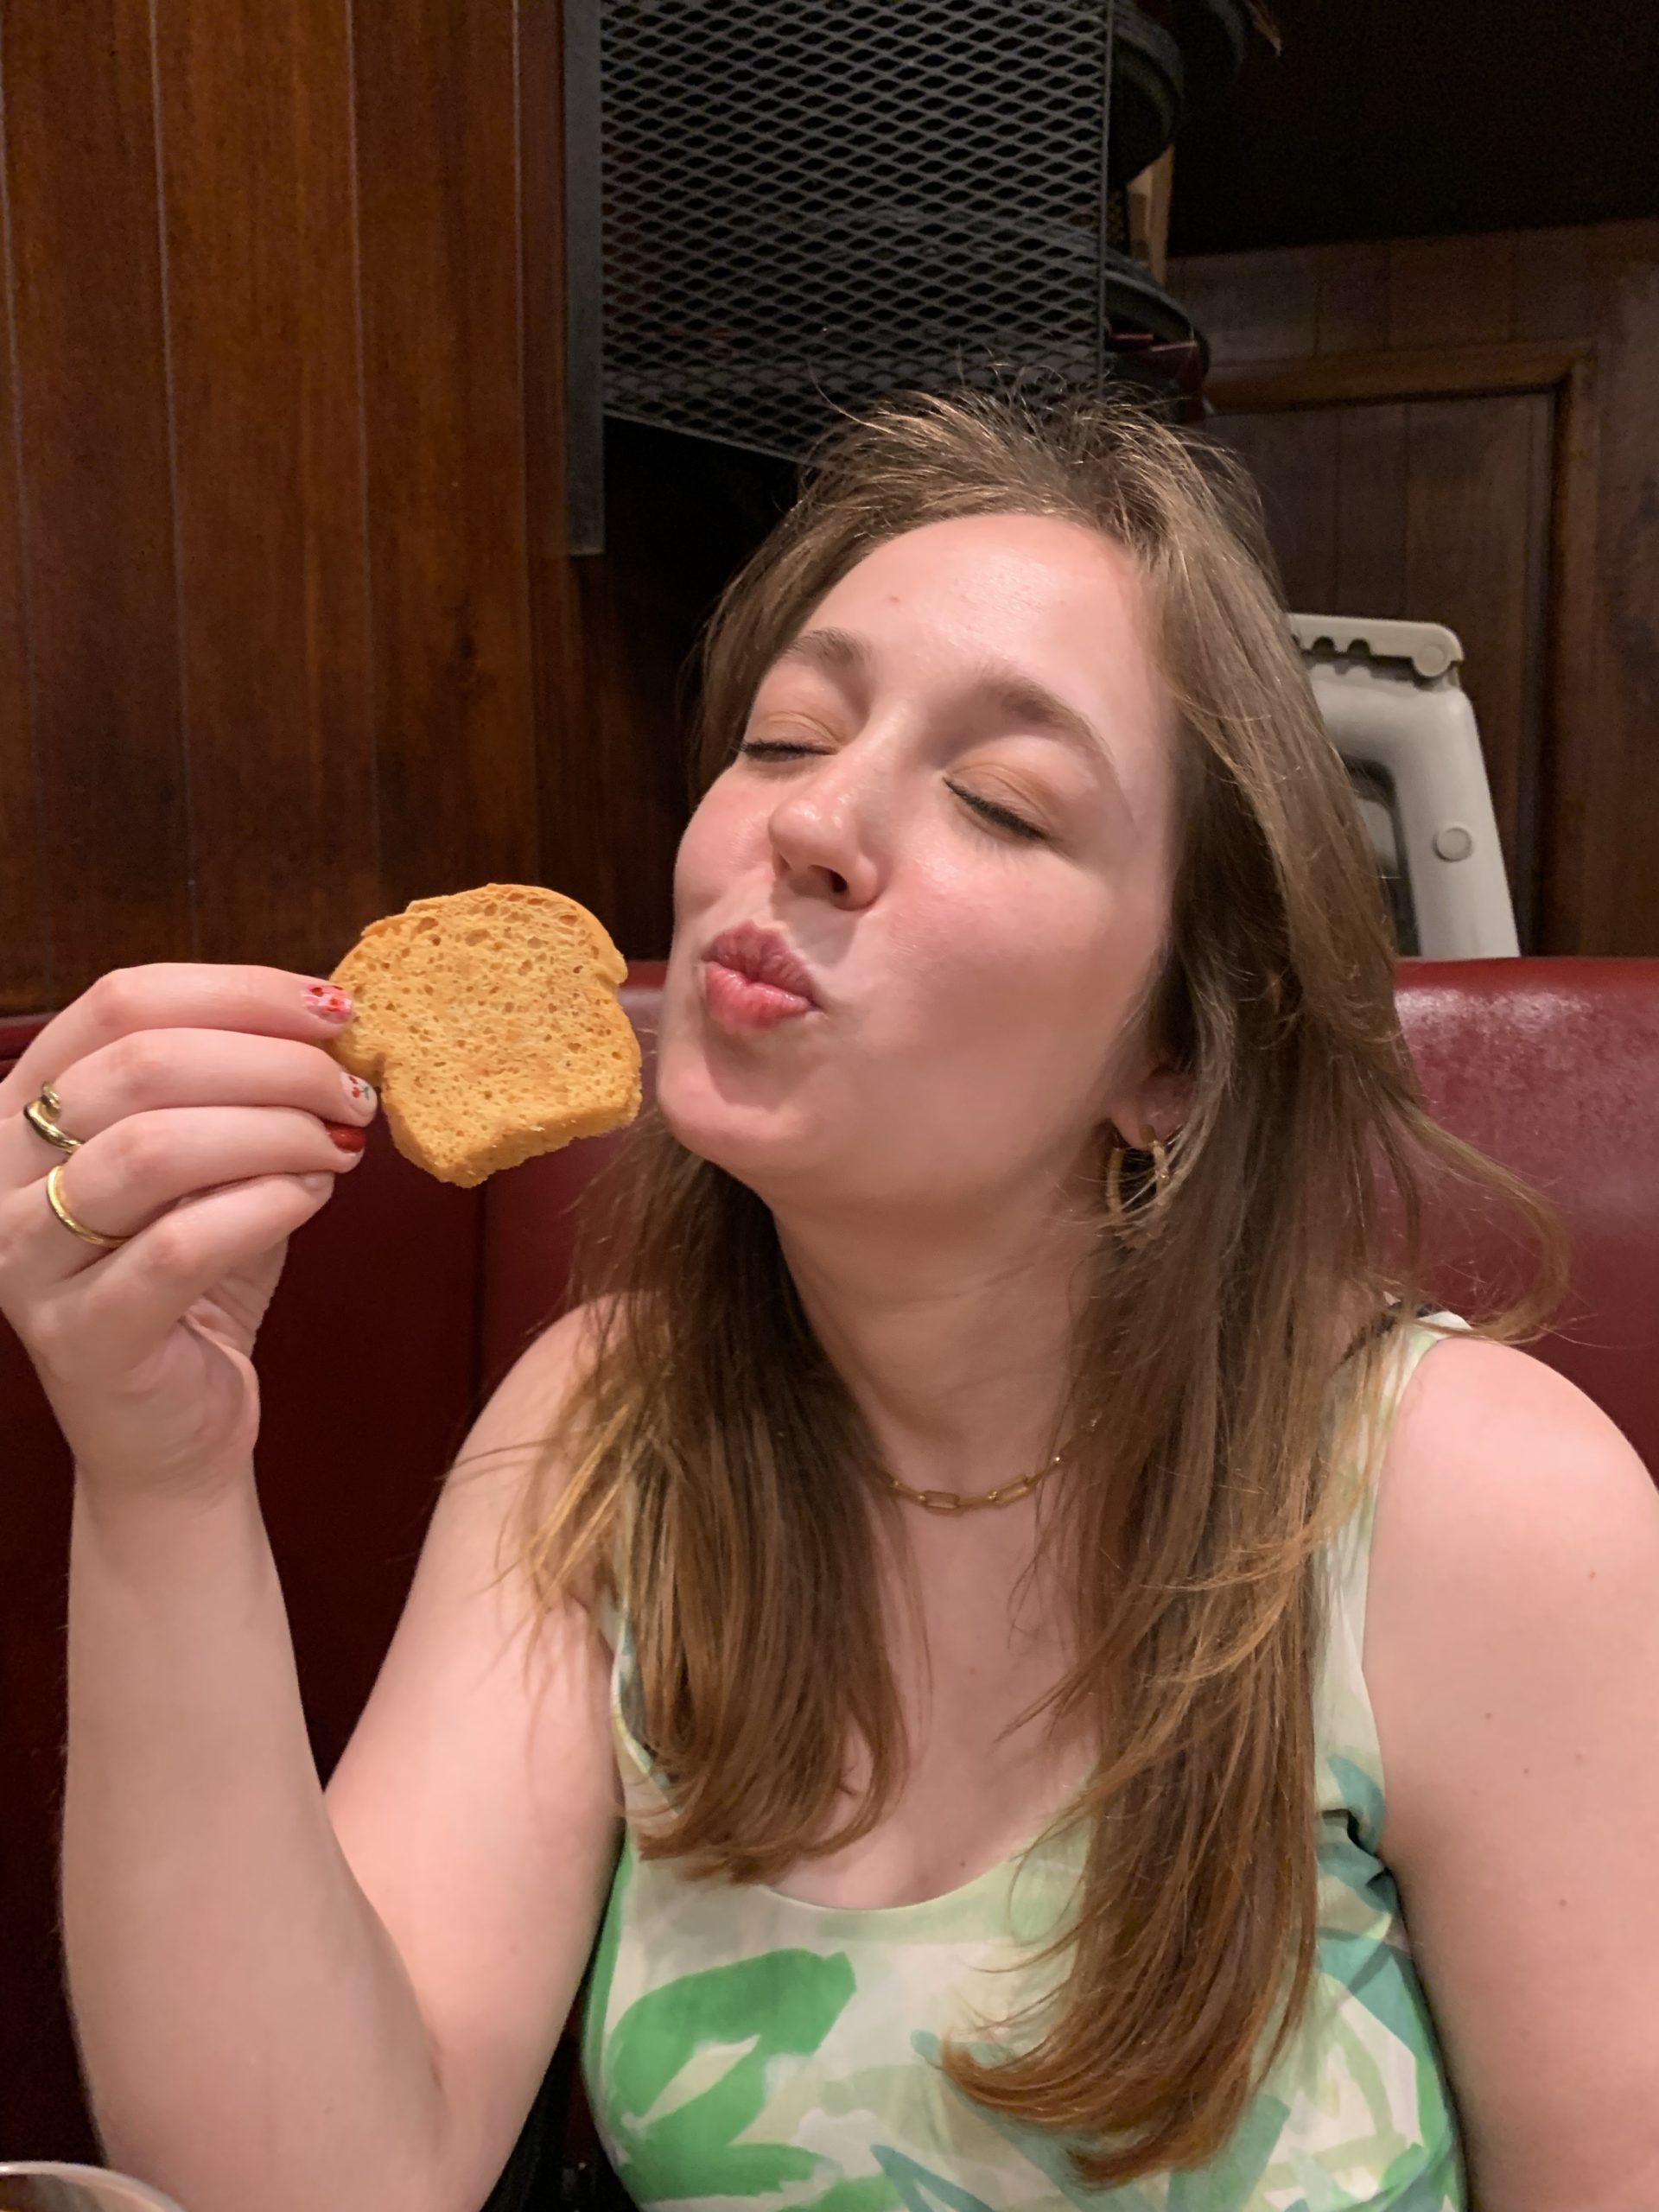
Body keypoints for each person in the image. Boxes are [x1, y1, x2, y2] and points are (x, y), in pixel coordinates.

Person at [2, 390, 1656, 2212]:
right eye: (787, 734)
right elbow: (310, 2183)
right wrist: (158, 1470)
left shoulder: (1477, 1503)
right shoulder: (602, 1431)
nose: (811, 819)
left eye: (1002, 802)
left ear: (1175, 1055)